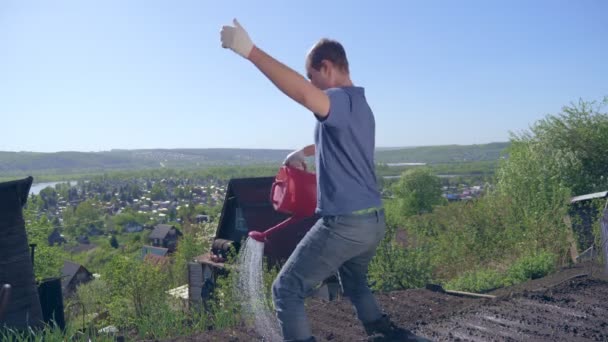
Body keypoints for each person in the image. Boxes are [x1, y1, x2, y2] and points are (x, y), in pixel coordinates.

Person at [220, 19, 430, 342]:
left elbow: (305, 96)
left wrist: (250, 52)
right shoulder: (361, 107)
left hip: (345, 224)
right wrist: (302, 152)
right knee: (355, 281)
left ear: (327, 68)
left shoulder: (341, 101)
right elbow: (336, 141)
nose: (312, 83)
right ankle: (386, 334)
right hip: (373, 221)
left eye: (312, 76)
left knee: (286, 290)